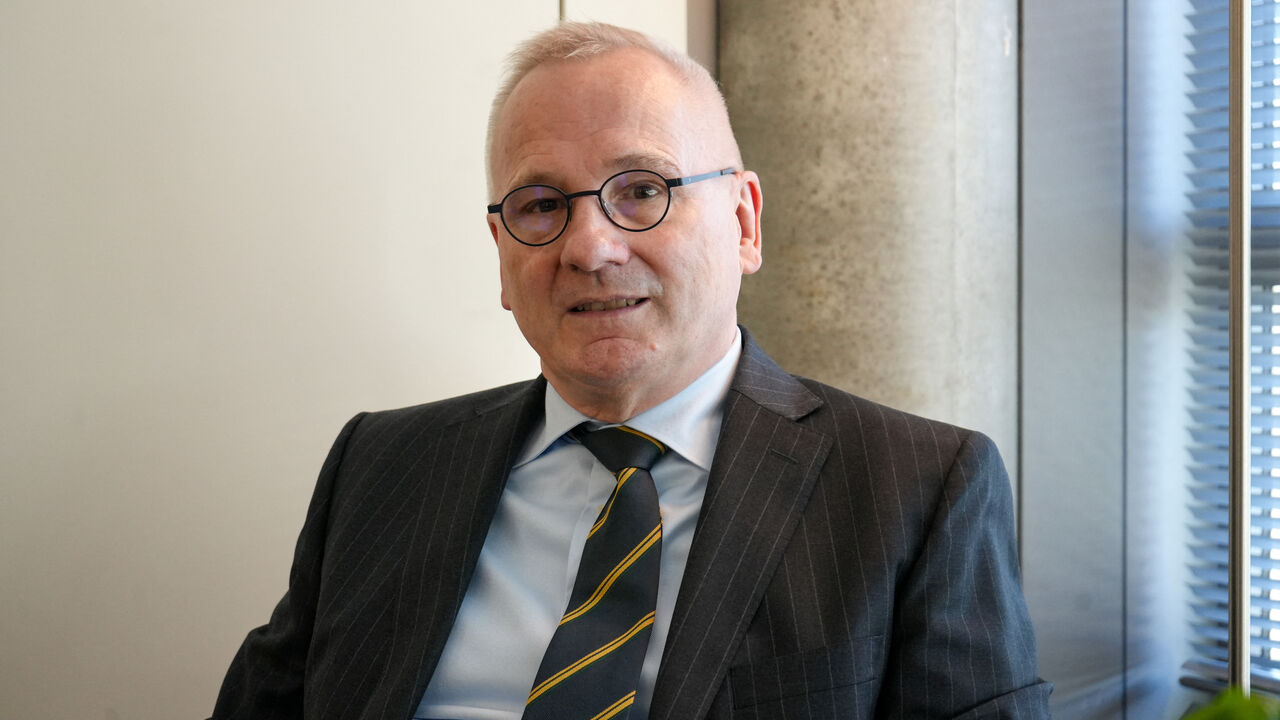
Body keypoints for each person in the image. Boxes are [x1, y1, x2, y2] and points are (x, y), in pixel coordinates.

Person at [212, 21, 1050, 720]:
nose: (590, 247)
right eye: (542, 205)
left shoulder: (916, 490)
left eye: (642, 190)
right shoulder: (380, 468)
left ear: (744, 223)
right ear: (502, 253)